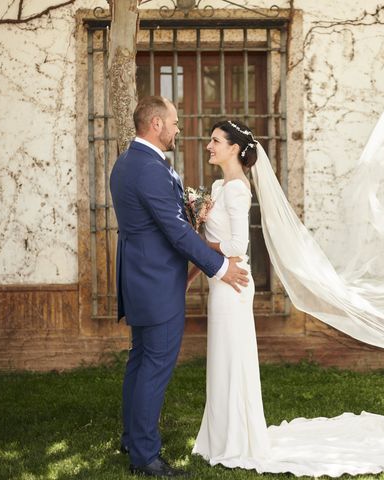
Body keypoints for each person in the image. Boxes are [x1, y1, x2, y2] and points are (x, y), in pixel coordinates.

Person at [189, 120, 384, 477]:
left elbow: (236, 246)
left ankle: (236, 441)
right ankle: (220, 437)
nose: (208, 146)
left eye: (215, 141)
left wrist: (199, 245)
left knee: (232, 360)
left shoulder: (236, 189)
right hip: (223, 284)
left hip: (233, 286)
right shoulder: (219, 185)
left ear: (234, 148)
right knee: (223, 360)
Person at [109, 96, 249, 478]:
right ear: (155, 124)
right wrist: (220, 267)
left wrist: (193, 213)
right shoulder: (149, 168)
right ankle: (146, 457)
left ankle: (132, 438)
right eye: (173, 122)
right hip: (155, 283)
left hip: (140, 279)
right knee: (154, 366)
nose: (177, 129)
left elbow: (161, 221)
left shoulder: (127, 163)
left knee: (140, 363)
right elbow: (174, 231)